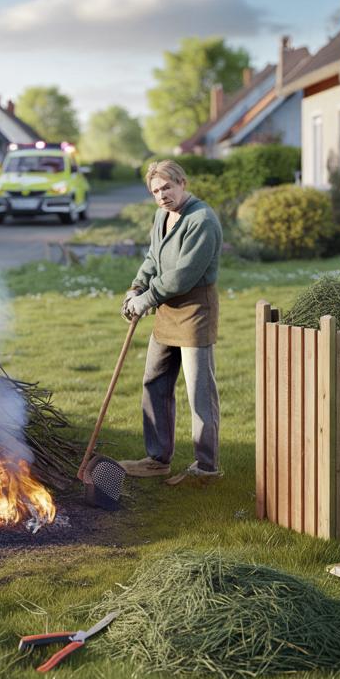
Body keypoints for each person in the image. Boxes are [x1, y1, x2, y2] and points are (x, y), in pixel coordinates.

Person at [120, 160, 224, 485]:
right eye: (156, 191)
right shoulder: (162, 215)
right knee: (155, 382)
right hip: (166, 309)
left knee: (199, 392)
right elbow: (154, 258)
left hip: (194, 310)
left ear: (182, 182)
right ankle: (157, 459)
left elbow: (182, 277)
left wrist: (146, 299)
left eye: (167, 187)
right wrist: (137, 287)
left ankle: (206, 468)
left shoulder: (202, 220)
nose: (162, 196)